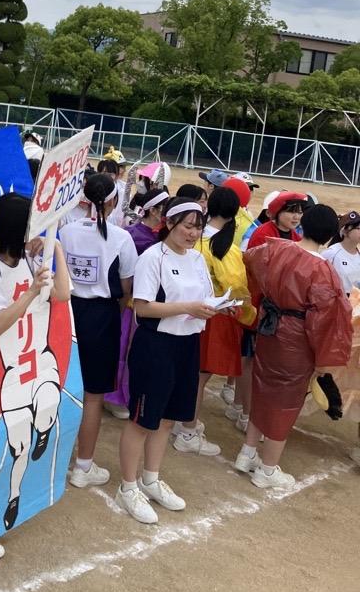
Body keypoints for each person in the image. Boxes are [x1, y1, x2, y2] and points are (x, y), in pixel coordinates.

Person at [0, 192, 71, 533]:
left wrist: (56, 249)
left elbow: (62, 294)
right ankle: (11, 499)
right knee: (18, 449)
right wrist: (30, 293)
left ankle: (43, 427)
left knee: (50, 407)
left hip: (40, 362)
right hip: (14, 373)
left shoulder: (32, 260)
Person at [116, 199, 215, 524]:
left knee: (168, 418)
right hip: (155, 345)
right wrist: (187, 308)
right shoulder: (152, 257)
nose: (193, 233)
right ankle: (128, 487)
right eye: (187, 225)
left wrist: (214, 307)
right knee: (142, 419)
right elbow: (142, 307)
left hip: (187, 343)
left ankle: (151, 479)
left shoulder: (197, 258)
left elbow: (203, 297)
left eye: (198, 227)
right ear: (169, 223)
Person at [238, 205, 352, 488]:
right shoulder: (322, 270)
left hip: (269, 328)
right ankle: (267, 469)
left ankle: (247, 453)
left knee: (263, 389)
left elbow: (249, 260)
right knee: (286, 402)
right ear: (331, 235)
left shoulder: (276, 248)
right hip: (296, 338)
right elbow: (325, 320)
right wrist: (324, 362)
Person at [60, 173, 137, 487]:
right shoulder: (121, 238)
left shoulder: (65, 231)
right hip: (103, 317)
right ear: (112, 200)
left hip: (67, 314)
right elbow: (127, 288)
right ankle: (83, 466)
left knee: (63, 388)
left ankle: (56, 460)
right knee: (93, 397)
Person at [173, 186, 255, 458]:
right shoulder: (226, 249)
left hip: (183, 310)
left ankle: (181, 422)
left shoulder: (193, 237)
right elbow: (237, 289)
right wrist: (248, 313)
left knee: (189, 372)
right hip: (214, 316)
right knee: (199, 376)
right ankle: (187, 431)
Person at [322, 210, 360, 296]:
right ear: (345, 231)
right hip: (336, 301)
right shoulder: (331, 253)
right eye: (358, 228)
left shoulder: (358, 255)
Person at [127, 189, 169, 254]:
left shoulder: (129, 230)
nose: (169, 211)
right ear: (153, 210)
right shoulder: (137, 238)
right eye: (166, 208)